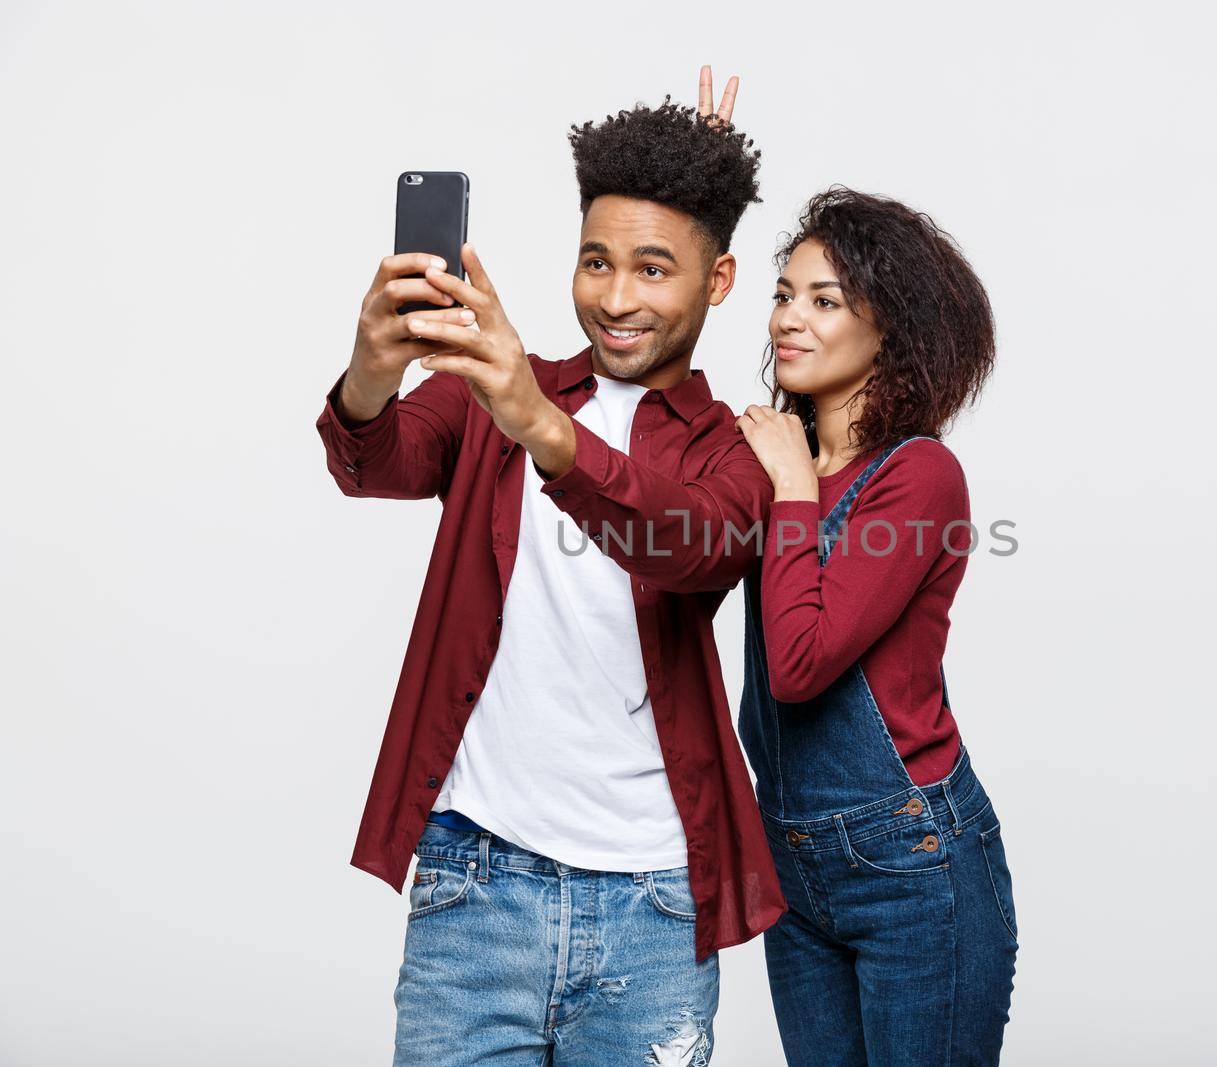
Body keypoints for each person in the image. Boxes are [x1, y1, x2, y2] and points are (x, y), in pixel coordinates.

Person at [313, 68, 786, 1066]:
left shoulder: (736, 447)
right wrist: (373, 367)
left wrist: (539, 421)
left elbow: (687, 545)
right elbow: (374, 462)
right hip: (473, 883)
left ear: (720, 280)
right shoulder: (500, 386)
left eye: (656, 268)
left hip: (653, 905)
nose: (615, 298)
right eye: (595, 261)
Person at [734, 187, 1018, 1065]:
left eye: (825, 301)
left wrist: (788, 488)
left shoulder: (919, 476)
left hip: (913, 863)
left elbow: (801, 662)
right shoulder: (775, 456)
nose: (790, 318)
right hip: (790, 857)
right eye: (784, 294)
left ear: (888, 332)